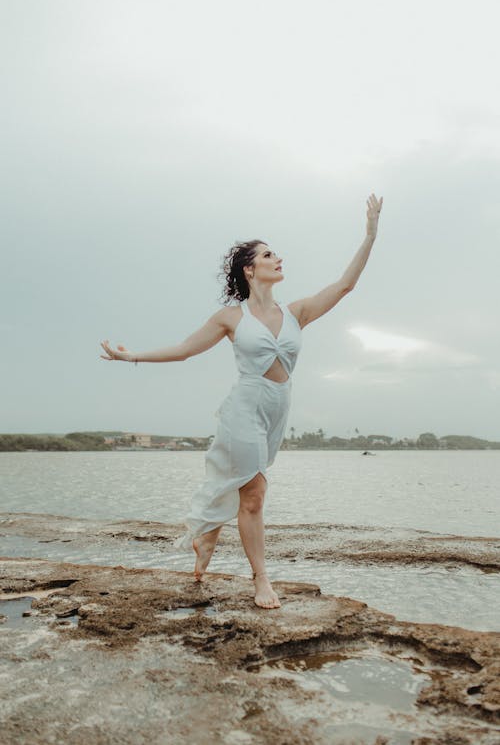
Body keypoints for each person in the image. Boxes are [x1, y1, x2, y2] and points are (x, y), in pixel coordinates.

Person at [100, 193, 383, 609]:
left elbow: (345, 285)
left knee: (247, 486)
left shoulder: (297, 312)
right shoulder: (231, 317)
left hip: (276, 411)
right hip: (244, 408)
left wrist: (370, 234)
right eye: (269, 254)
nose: (278, 258)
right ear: (251, 269)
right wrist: (130, 356)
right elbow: (184, 349)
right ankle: (261, 580)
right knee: (253, 494)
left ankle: (209, 534)